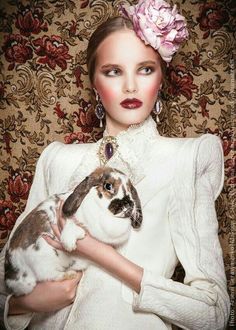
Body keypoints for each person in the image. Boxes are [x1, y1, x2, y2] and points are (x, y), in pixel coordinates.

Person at [0, 0, 230, 329]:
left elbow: (214, 313)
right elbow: (5, 276)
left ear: (161, 79)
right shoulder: (59, 160)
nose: (131, 86)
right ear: (94, 82)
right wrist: (22, 303)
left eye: (145, 69)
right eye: (113, 71)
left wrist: (103, 255)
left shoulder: (186, 159)